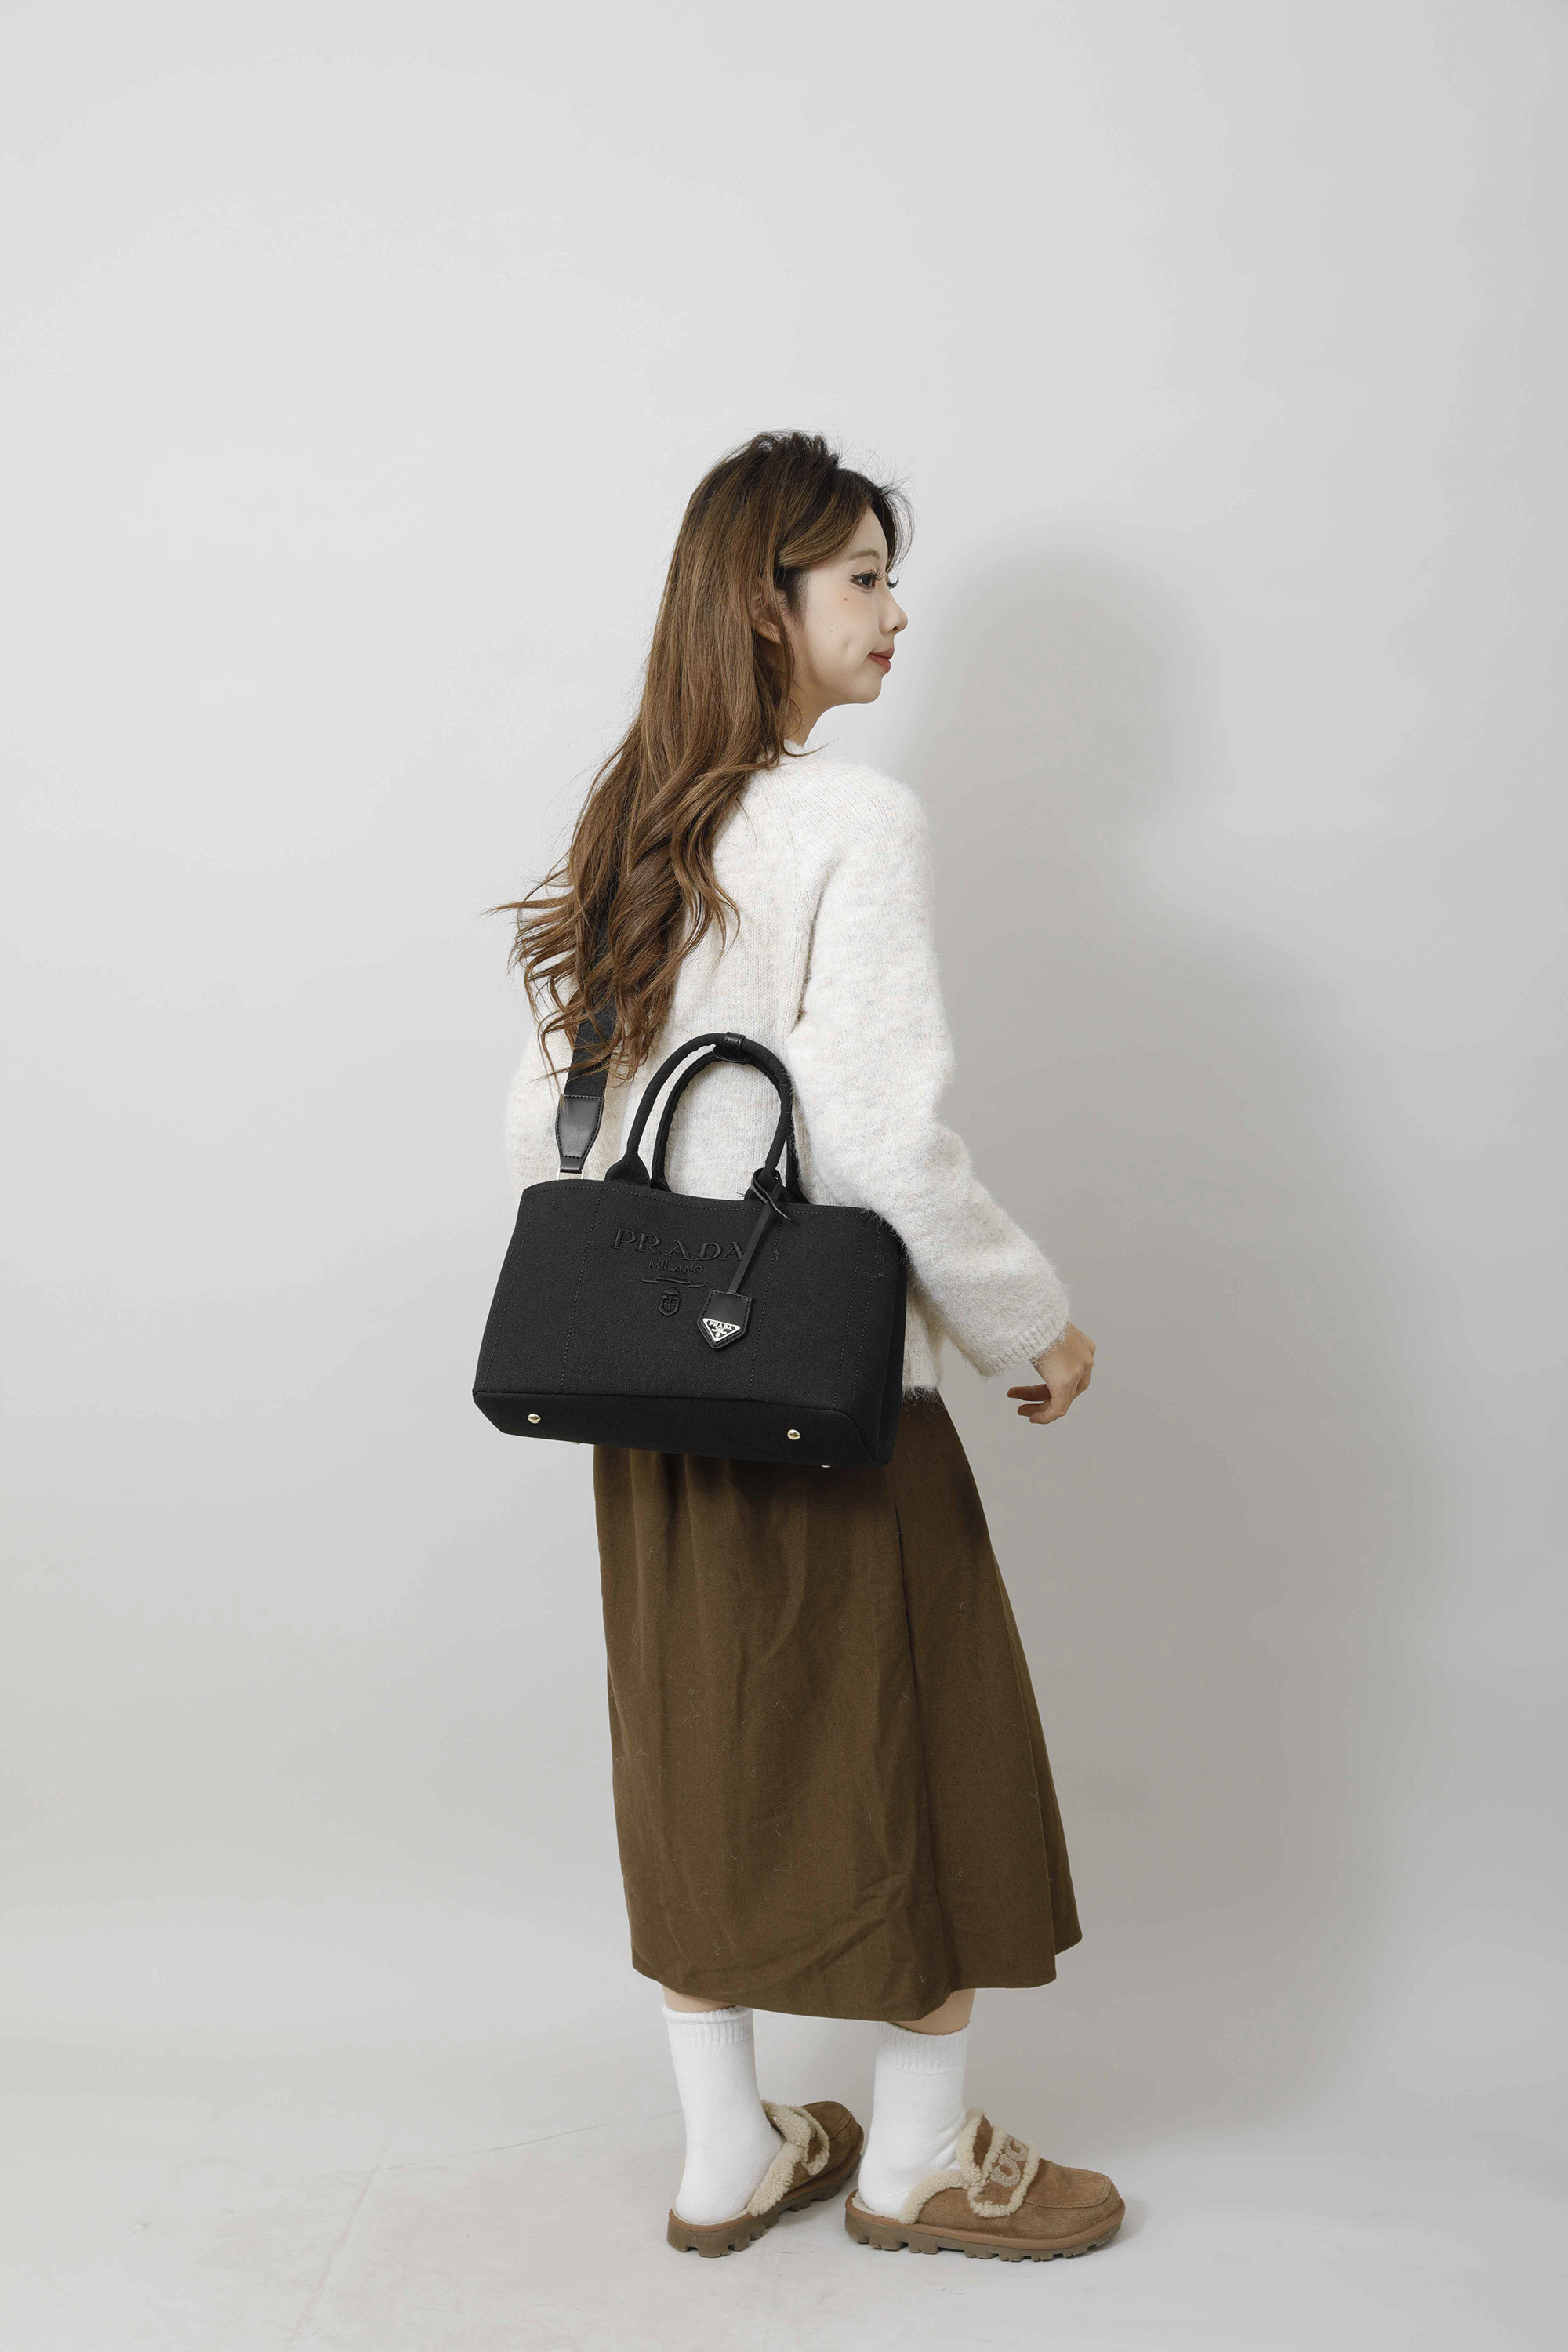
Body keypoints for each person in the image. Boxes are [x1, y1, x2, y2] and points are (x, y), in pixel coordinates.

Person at [495, 430, 1123, 2264]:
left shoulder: (627, 817)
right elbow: (868, 1140)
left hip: (647, 1399)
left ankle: (726, 2156)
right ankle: (915, 2161)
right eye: (861, 576)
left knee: (693, 1759)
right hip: (820, 1388)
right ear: (765, 608)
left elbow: (544, 1129)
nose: (896, 610)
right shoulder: (853, 820)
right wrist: (1029, 1323)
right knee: (919, 1749)